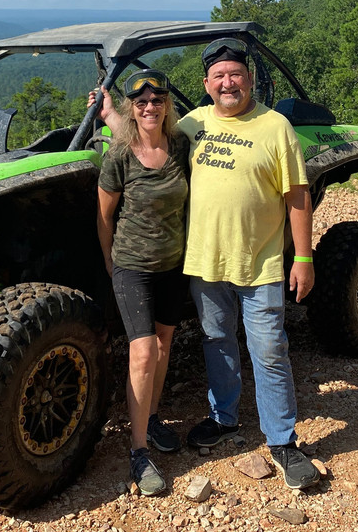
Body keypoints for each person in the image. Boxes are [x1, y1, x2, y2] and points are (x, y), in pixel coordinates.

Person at [94, 39, 320, 490]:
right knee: (217, 340)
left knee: (269, 350)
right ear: (206, 85)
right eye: (219, 76)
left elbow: (297, 195)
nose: (228, 82)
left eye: (235, 74)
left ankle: (282, 442)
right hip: (202, 262)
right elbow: (146, 127)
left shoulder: (276, 127)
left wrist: (304, 257)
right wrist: (111, 114)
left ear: (250, 79)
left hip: (259, 264)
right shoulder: (192, 124)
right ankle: (224, 419)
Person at [96, 69, 190, 497]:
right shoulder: (119, 155)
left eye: (157, 101)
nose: (149, 107)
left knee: (165, 344)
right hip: (132, 265)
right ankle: (137, 451)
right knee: (143, 349)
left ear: (167, 105)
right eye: (141, 103)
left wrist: (110, 114)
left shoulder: (181, 146)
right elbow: (104, 217)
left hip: (173, 264)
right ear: (133, 109)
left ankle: (151, 418)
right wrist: (112, 265)